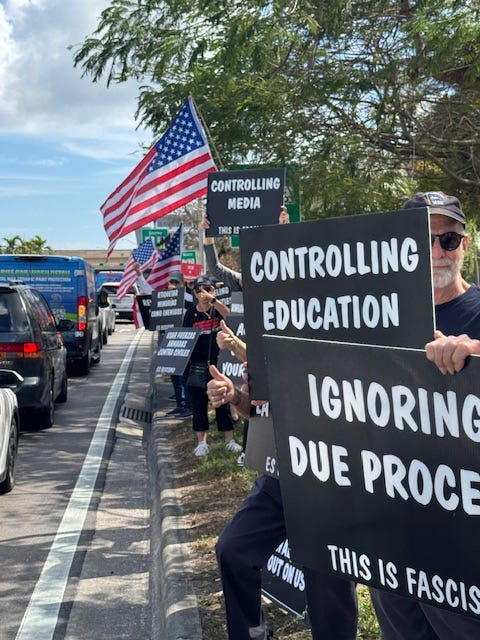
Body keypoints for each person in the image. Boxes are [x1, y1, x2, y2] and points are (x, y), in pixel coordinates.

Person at [367, 191, 480, 639]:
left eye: (447, 239)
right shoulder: (372, 316)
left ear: (464, 245)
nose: (436, 252)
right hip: (393, 525)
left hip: (463, 536)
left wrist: (474, 352)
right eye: (421, 241)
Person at [207, 361, 358, 640]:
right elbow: (257, 411)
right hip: (280, 474)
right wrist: (235, 396)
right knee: (232, 550)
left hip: (331, 480)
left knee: (327, 585)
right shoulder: (271, 342)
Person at [183, 275, 243, 457]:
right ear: (194, 294)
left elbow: (231, 318)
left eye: (207, 289)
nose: (203, 294)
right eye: (199, 290)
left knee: (223, 403)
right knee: (199, 405)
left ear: (213, 291)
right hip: (198, 366)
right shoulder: (190, 314)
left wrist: (214, 301)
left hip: (219, 365)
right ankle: (202, 443)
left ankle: (229, 440)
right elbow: (184, 340)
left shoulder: (217, 310)